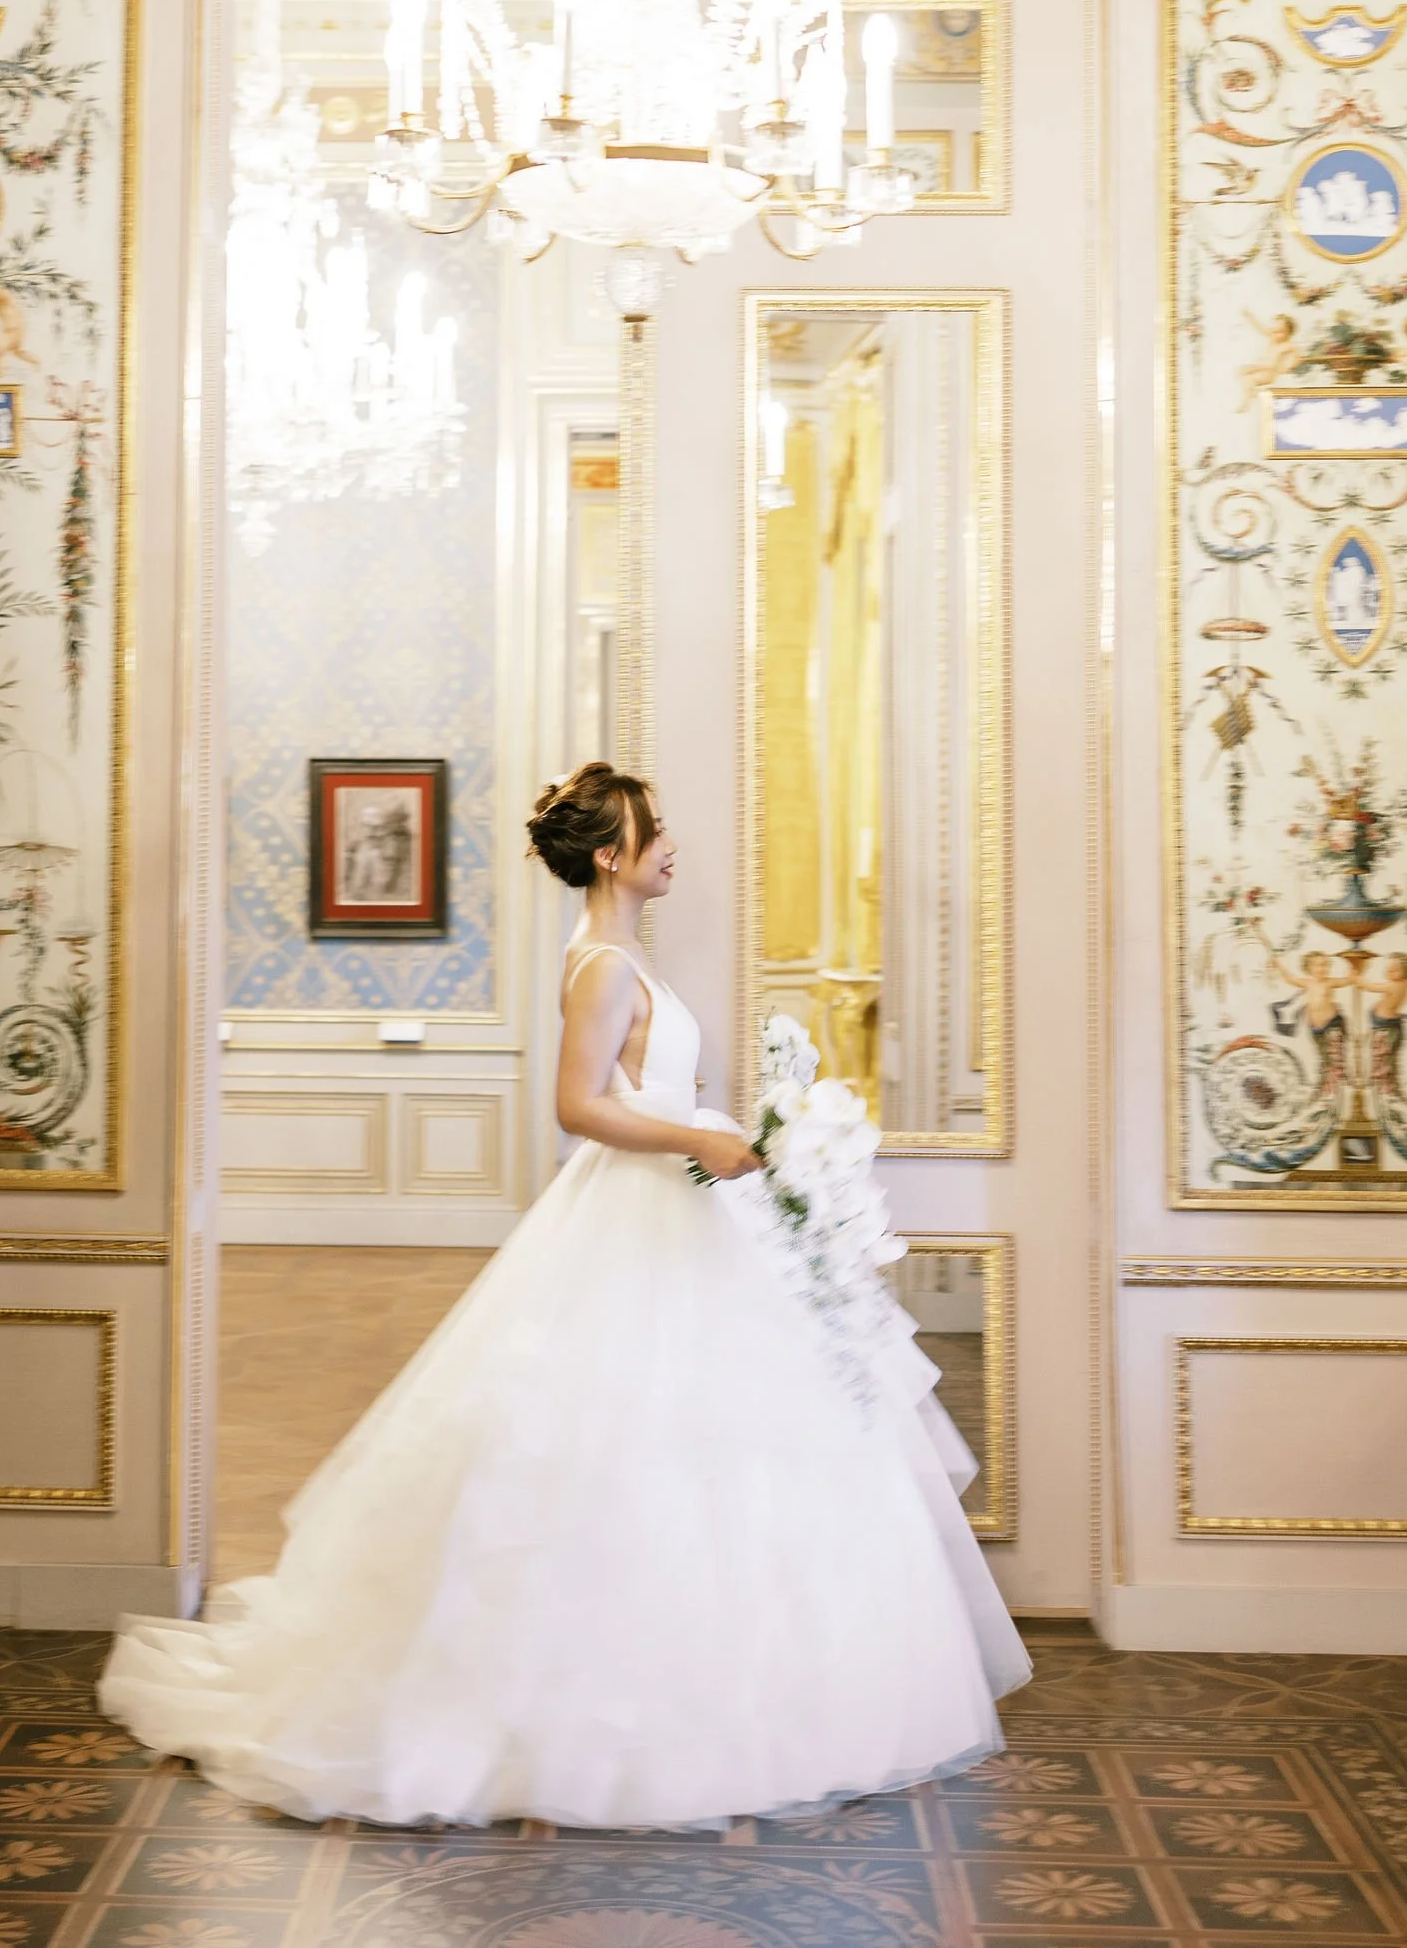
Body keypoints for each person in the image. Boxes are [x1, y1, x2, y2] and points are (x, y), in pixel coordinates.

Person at [100, 762, 1030, 1826]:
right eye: (655, 831)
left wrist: (728, 1136)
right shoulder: (599, 963)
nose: (671, 845)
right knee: (611, 1443)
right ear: (608, 855)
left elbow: (644, 1092)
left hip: (679, 1211)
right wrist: (697, 1135)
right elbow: (577, 1105)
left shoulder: (627, 956)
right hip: (634, 1215)